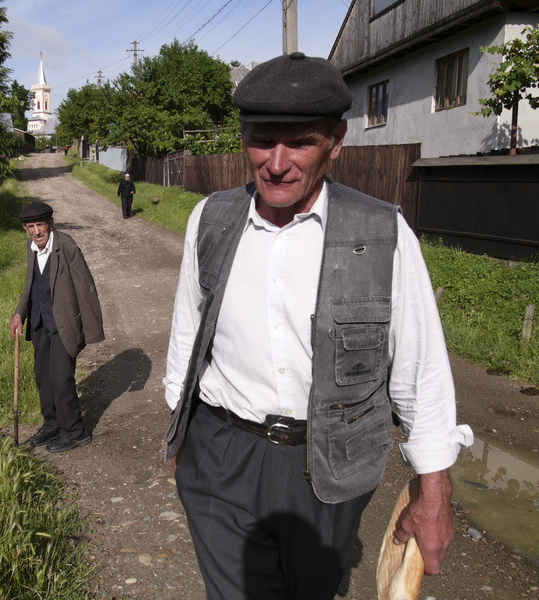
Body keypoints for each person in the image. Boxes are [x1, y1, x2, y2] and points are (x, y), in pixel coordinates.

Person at [163, 52, 473, 600]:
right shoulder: (209, 220)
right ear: (243, 138)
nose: (276, 163)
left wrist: (434, 491)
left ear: (337, 142)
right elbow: (189, 332)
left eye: (300, 141)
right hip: (222, 453)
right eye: (262, 139)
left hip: (329, 465)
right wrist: (182, 431)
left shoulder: (383, 234)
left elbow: (420, 371)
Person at [9, 201, 104, 453]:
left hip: (64, 324)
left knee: (61, 378)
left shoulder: (66, 245)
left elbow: (85, 286)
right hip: (40, 323)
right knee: (44, 377)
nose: (37, 231)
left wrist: (89, 331)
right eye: (31, 226)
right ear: (25, 229)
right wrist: (19, 314)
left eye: (41, 224)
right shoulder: (31, 249)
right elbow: (30, 287)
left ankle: (74, 431)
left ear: (51, 224)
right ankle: (52, 425)